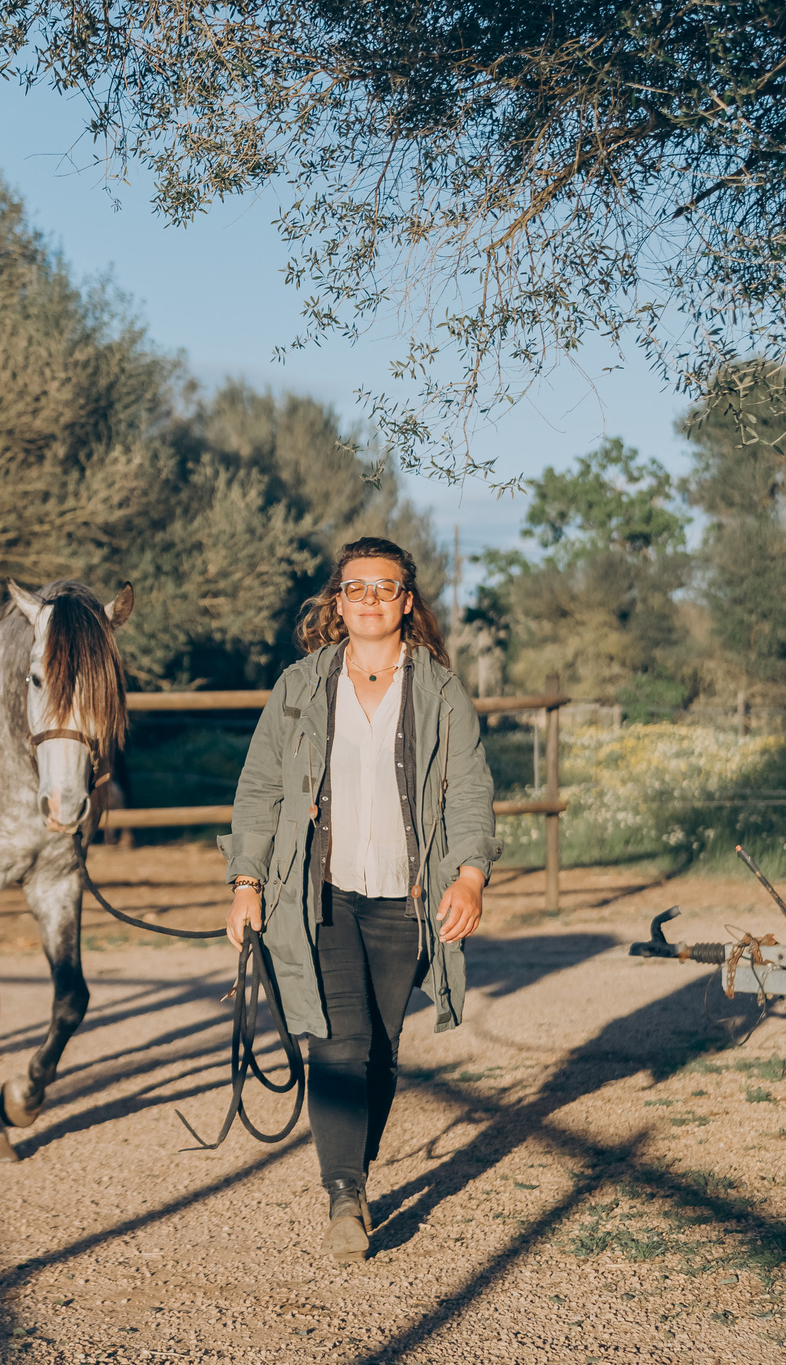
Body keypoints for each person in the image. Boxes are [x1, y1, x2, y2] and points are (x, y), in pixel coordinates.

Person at [220, 535, 498, 1263]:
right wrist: (246, 881)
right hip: (324, 897)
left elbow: (470, 789)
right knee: (339, 1042)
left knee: (381, 1052)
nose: (370, 599)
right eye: (356, 587)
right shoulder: (301, 687)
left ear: (407, 600)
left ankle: (356, 1170)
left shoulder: (440, 693)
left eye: (385, 586)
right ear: (336, 602)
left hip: (407, 902)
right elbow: (261, 787)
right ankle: (345, 1193)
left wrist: (469, 876)